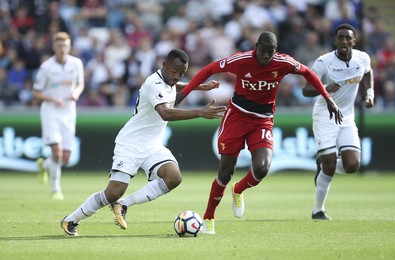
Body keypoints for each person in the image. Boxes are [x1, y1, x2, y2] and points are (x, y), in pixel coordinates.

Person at [176, 31, 343, 234]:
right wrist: (184, 93)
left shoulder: (283, 63)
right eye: (263, 51)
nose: (266, 56)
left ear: (275, 50)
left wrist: (328, 98)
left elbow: (308, 72)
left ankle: (238, 190)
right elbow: (210, 69)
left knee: (262, 168)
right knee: (226, 171)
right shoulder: (241, 60)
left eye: (270, 52)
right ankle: (209, 217)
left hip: (262, 120)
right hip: (236, 117)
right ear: (257, 46)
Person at [60, 48, 226, 236]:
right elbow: (166, 112)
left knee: (173, 177)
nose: (177, 76)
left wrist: (198, 86)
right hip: (131, 143)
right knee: (114, 191)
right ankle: (71, 219)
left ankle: (123, 205)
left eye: (181, 73)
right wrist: (199, 112)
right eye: (175, 71)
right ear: (164, 64)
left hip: (152, 145)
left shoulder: (168, 81)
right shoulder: (153, 83)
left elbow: (174, 93)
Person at [302, 23, 374, 220]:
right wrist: (324, 87)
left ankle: (324, 164)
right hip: (325, 115)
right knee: (330, 165)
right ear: (335, 41)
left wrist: (370, 93)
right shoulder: (323, 62)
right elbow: (305, 90)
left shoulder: (362, 58)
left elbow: (367, 72)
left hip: (347, 116)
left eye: (347, 38)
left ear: (354, 41)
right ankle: (318, 211)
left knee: (352, 165)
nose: (343, 41)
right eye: (340, 38)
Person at [33, 32, 85, 200]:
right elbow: (36, 92)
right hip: (51, 111)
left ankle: (44, 164)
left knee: (66, 157)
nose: (62, 49)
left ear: (69, 47)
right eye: (59, 45)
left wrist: (76, 93)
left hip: (69, 111)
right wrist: (51, 98)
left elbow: (80, 83)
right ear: (53, 47)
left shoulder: (76, 64)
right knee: (57, 152)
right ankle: (56, 190)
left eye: (65, 45)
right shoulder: (46, 67)